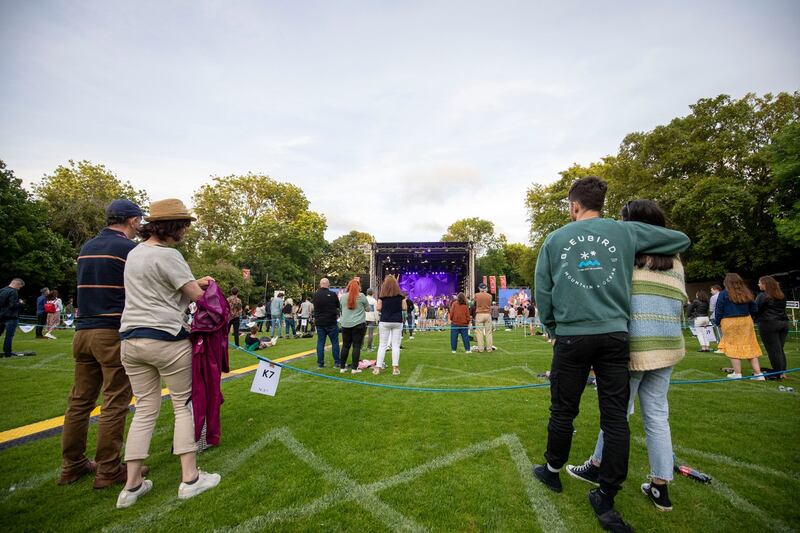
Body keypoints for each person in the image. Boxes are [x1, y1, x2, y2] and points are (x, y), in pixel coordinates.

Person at [532, 177, 690, 532]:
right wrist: (630, 231)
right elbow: (680, 240)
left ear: (574, 206)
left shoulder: (556, 239)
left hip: (572, 337)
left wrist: (553, 328)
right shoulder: (624, 233)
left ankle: (552, 471)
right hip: (615, 336)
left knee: (563, 408)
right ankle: (606, 493)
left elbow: (543, 289)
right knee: (615, 417)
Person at [566, 199, 688, 513]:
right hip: (668, 343)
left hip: (634, 344)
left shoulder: (626, 254)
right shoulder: (675, 259)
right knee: (658, 415)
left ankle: (597, 465)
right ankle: (660, 487)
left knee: (617, 412)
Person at [116, 199, 220, 509]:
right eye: (184, 225)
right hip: (165, 338)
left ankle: (131, 486)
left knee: (145, 409)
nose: (187, 230)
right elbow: (199, 298)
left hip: (130, 339)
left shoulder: (134, 253)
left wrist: (191, 281)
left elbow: (158, 288)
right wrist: (205, 288)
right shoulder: (170, 255)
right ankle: (190, 478)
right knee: (182, 405)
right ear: (173, 226)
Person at [58, 200, 145, 489]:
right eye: (139, 221)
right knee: (115, 401)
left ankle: (72, 465)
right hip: (110, 332)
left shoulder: (87, 247)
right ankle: (108, 469)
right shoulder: (128, 250)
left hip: (82, 333)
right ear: (132, 221)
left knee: (79, 402)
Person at [714, 273, 764, 380]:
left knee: (732, 345)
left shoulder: (723, 294)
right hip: (746, 320)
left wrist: (717, 322)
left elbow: (719, 309)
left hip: (729, 321)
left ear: (727, 282)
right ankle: (758, 374)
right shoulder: (746, 292)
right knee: (750, 344)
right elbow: (754, 308)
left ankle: (737, 373)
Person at [755, 276, 789, 380]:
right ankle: (782, 371)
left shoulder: (763, 296)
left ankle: (778, 373)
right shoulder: (781, 295)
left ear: (765, 284)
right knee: (779, 349)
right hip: (783, 323)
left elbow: (756, 309)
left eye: (760, 283)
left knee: (773, 350)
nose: (758, 285)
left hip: (769, 324)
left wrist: (754, 319)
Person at [374, 275, 406, 375]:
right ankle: (395, 368)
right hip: (397, 321)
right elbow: (404, 308)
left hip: (385, 321)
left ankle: (377, 368)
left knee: (382, 345)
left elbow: (378, 308)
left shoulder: (382, 296)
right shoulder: (401, 296)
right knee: (396, 345)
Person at [339, 279, 369, 374]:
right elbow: (368, 309)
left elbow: (341, 309)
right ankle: (354, 368)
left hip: (345, 324)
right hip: (358, 324)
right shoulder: (362, 296)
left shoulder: (343, 297)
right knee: (356, 346)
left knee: (345, 346)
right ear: (359, 287)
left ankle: (342, 367)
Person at [313, 278, 341, 369]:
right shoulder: (333, 294)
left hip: (320, 322)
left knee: (320, 343)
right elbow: (338, 305)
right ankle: (337, 362)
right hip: (331, 322)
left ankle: (320, 363)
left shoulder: (315, 295)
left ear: (320, 284)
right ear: (328, 284)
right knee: (335, 342)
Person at [0, 278, 25, 357]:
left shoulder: (2, 290)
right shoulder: (13, 291)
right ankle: (7, 353)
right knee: (9, 335)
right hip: (11, 317)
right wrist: (20, 303)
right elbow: (12, 306)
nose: (19, 288)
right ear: (17, 284)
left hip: (1, 316)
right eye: (20, 287)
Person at [473, 283, 493, 352]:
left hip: (479, 314)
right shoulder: (490, 296)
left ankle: (480, 349)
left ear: (480, 288)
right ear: (485, 288)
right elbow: (489, 304)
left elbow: (474, 304)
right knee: (488, 332)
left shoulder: (477, 295)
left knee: (479, 332)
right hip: (487, 314)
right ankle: (489, 349)